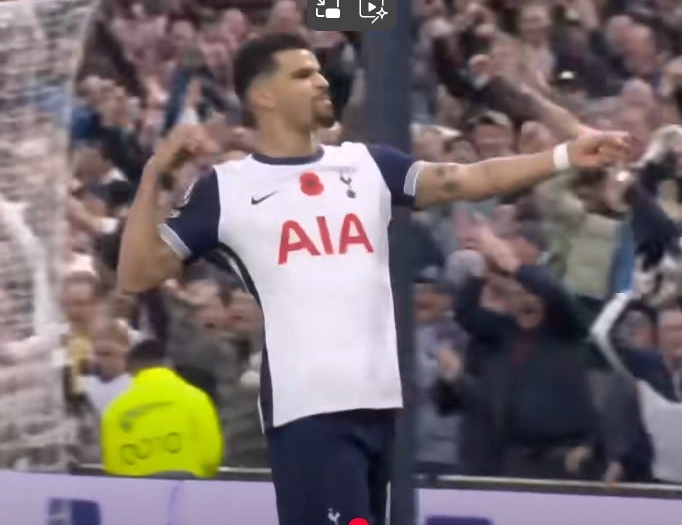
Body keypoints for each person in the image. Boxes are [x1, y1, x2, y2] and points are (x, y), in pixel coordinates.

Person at [117, 32, 629, 524]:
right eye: (302, 75)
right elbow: (138, 274)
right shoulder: (227, 189)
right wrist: (155, 174)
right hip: (310, 410)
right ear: (263, 97)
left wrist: (563, 156)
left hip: (379, 405)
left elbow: (468, 178)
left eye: (318, 71)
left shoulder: (365, 165)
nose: (321, 81)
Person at [100, 339, 223, 478]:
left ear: (130, 370)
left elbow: (113, 467)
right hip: (189, 487)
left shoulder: (115, 411)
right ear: (170, 365)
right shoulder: (197, 398)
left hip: (136, 489)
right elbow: (211, 457)